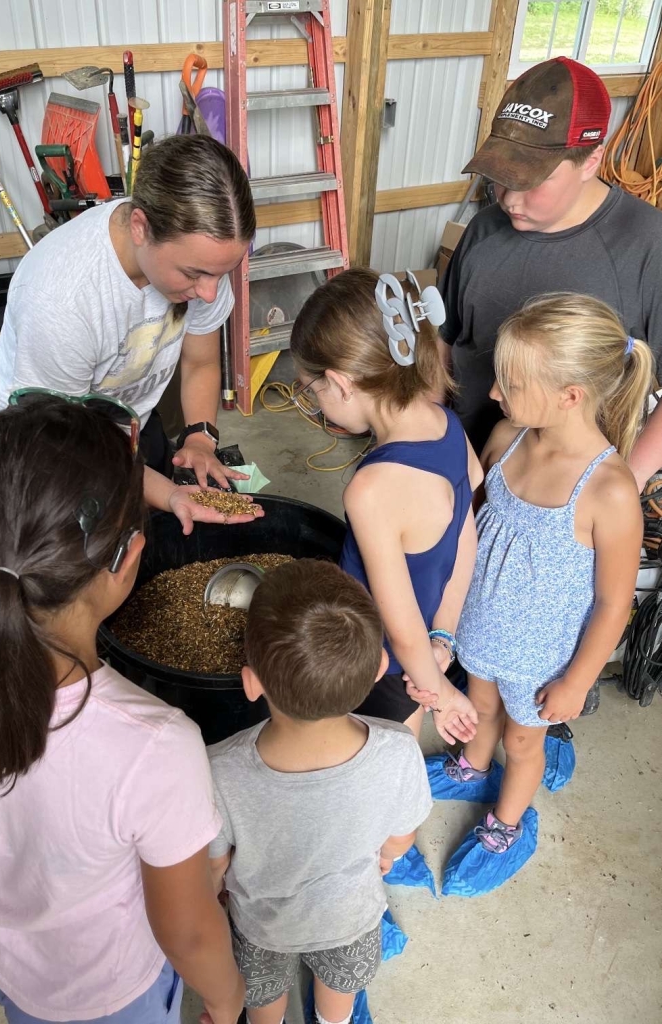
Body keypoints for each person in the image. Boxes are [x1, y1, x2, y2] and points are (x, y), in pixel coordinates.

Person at [0, 397, 244, 1024]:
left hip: (2, 955)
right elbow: (189, 933)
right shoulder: (157, 743)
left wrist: (25, 866)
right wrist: (227, 1000)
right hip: (110, 993)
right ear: (128, 557)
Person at [425, 295, 649, 892]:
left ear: (569, 395)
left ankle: (506, 824)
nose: (494, 394)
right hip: (481, 628)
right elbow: (472, 523)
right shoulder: (508, 437)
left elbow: (613, 603)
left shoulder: (609, 490)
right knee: (482, 710)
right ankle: (472, 767)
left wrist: (577, 681)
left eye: (510, 382)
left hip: (541, 658)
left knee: (524, 742)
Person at [0, 134, 261, 535]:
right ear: (139, 227)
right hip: (46, 444)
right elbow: (66, 444)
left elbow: (200, 362)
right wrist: (165, 493)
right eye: (193, 274)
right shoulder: (63, 299)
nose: (209, 293)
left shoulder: (201, 260)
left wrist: (200, 438)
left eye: (222, 273)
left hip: (127, 417)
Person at [207, 559, 432, 1024]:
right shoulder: (398, 751)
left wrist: (212, 895)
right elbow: (399, 837)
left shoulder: (218, 769)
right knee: (339, 995)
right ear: (379, 669)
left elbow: (215, 863)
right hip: (351, 921)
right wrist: (386, 855)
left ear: (251, 684)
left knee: (263, 1001)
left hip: (261, 930)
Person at [289, 267, 481, 746]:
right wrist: (444, 639)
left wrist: (442, 694)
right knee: (402, 768)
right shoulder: (447, 425)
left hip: (375, 666)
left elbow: (400, 628)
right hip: (418, 666)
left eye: (312, 391)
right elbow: (465, 534)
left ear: (340, 382)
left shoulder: (371, 490)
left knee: (365, 770)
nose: (317, 404)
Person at [439, 56, 662, 457]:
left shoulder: (648, 245)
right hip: (467, 455)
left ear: (590, 162)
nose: (509, 199)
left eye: (532, 181)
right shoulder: (484, 229)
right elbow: (445, 339)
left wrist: (626, 483)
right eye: (501, 178)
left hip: (567, 494)